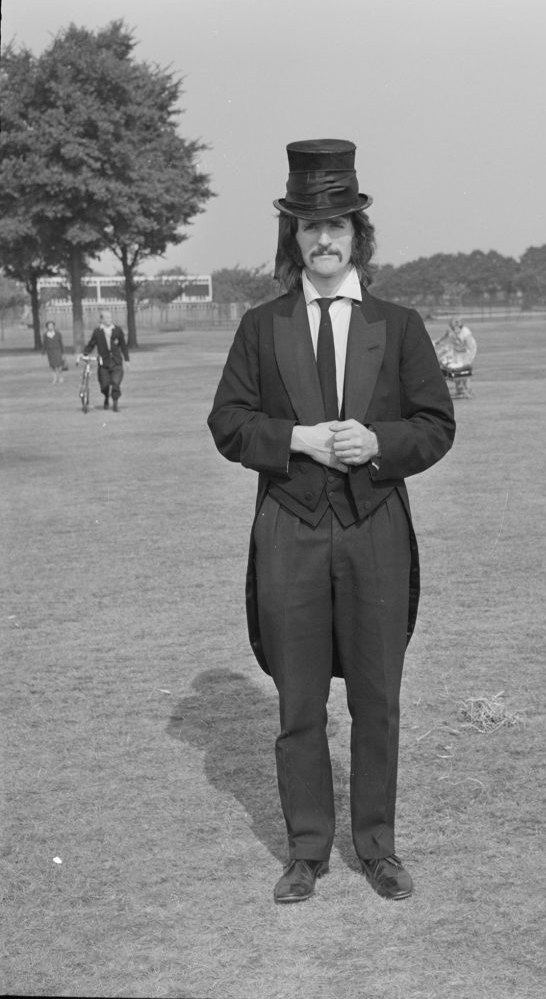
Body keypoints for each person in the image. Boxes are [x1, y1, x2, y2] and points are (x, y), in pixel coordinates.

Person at [207, 139, 455, 904]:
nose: (323, 239)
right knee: (297, 701)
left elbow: (435, 425)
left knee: (377, 697)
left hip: (376, 525)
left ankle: (377, 847)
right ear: (294, 237)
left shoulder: (400, 324)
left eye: (337, 226)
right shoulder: (261, 325)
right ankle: (306, 850)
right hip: (288, 525)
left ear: (358, 236)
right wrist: (295, 440)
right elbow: (228, 423)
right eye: (309, 227)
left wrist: (381, 445)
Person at [82, 309, 130, 411]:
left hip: (116, 362)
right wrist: (84, 354)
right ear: (102, 319)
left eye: (110, 317)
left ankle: (115, 402)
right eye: (107, 317)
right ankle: (106, 397)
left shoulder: (117, 330)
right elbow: (91, 344)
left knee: (115, 382)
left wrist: (127, 360)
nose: (110, 319)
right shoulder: (97, 331)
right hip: (103, 363)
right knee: (104, 385)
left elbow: (123, 346)